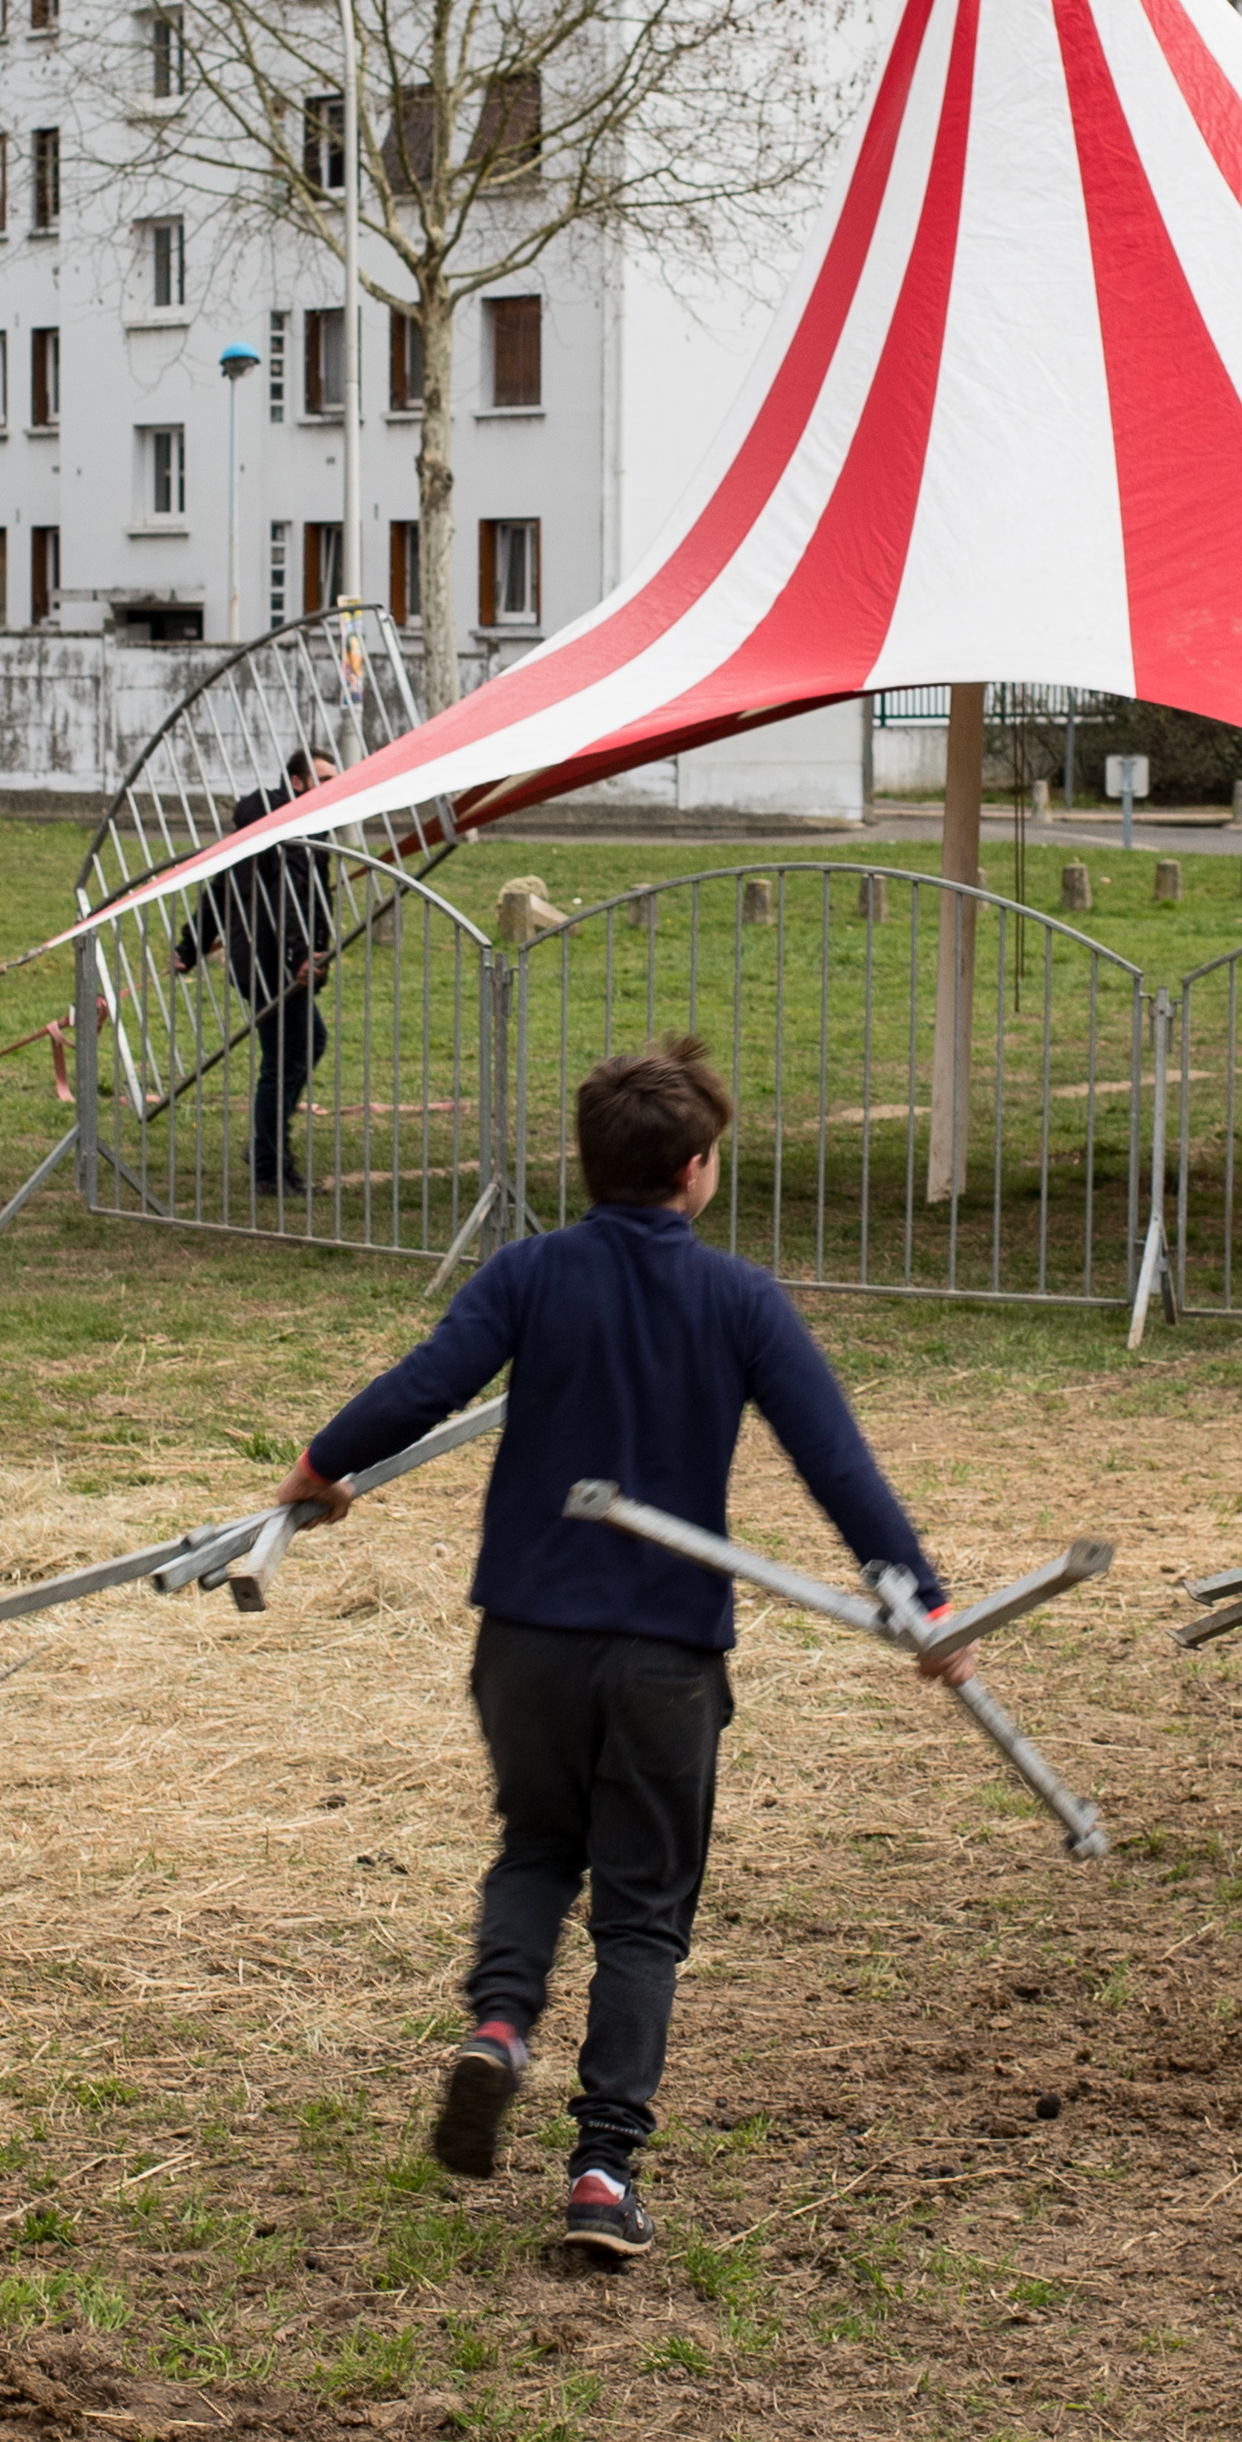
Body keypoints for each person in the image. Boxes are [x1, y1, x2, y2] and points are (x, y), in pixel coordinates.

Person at [274, 1036, 969, 2267]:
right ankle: (601, 2171)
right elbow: (836, 1464)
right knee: (643, 1913)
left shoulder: (529, 1273)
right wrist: (921, 1605)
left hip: (528, 1641)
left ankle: (499, 2025)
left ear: (587, 1164)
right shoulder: (740, 1299)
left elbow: (426, 1384)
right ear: (698, 1171)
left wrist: (322, 1469)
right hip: (664, 1658)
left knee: (538, 1845)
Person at [173, 745, 342, 1192]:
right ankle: (269, 1165)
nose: (332, 788)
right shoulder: (291, 832)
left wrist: (190, 947)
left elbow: (220, 889)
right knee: (285, 1060)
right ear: (299, 782)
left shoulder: (272, 826)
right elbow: (290, 900)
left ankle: (267, 1149)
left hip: (263, 961)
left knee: (300, 1049)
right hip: (273, 963)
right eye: (324, 780)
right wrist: (302, 957)